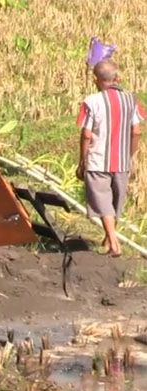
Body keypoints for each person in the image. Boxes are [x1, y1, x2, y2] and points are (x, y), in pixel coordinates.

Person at [76, 59, 144, 257]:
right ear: (118, 78)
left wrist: (83, 160)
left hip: (98, 160)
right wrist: (129, 154)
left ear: (96, 80)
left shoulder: (92, 101)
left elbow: (87, 134)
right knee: (115, 200)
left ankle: (114, 242)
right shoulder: (131, 99)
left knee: (103, 200)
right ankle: (109, 239)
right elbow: (137, 131)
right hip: (122, 161)